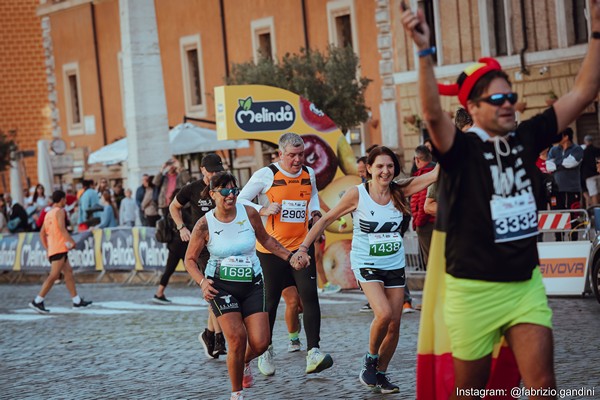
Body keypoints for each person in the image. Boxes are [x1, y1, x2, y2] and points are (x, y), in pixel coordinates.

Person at [401, 2, 600, 398]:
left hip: (524, 286)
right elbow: (430, 111)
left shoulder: (526, 137)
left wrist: (595, 29)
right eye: (497, 99)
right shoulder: (460, 150)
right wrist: (424, 53)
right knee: (474, 392)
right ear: (472, 108)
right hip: (472, 291)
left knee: (544, 385)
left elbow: (584, 91)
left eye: (510, 95)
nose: (508, 102)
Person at [292, 146, 438, 394]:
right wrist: (303, 247)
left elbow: (434, 176)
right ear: (369, 169)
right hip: (366, 263)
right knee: (383, 314)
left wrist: (461, 143)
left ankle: (380, 374)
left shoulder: (399, 191)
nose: (385, 171)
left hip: (393, 264)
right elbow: (326, 220)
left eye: (390, 166)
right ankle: (370, 359)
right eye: (379, 166)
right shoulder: (357, 194)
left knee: (395, 324)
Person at [184, 172, 309, 400]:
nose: (230, 195)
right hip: (221, 286)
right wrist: (203, 283)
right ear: (213, 194)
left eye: (234, 190)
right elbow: (189, 260)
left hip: (252, 283)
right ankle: (236, 393)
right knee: (236, 338)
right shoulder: (204, 224)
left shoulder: (249, 213)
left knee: (261, 343)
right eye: (224, 191)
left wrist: (289, 257)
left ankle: (242, 361)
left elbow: (267, 240)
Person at [238, 132, 333, 376]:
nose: (297, 159)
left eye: (301, 154)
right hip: (271, 250)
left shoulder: (308, 174)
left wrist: (314, 214)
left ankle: (314, 351)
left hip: (301, 246)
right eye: (292, 155)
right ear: (281, 154)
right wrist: (264, 208)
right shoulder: (266, 174)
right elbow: (241, 200)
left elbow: (311, 197)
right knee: (270, 302)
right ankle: (265, 349)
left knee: (309, 296)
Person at [168, 153, 228, 358]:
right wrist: (181, 227)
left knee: (220, 288)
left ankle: (208, 334)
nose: (215, 174)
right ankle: (219, 338)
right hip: (201, 246)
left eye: (218, 170)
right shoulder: (191, 189)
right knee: (213, 287)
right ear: (203, 169)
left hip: (224, 243)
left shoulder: (223, 185)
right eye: (212, 171)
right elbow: (173, 207)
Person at [28, 190, 92, 314]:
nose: (65, 201)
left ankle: (76, 301)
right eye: (65, 199)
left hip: (54, 248)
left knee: (68, 272)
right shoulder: (60, 212)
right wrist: (72, 242)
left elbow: (41, 234)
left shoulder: (48, 213)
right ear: (62, 199)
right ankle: (37, 300)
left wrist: (48, 248)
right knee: (54, 275)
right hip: (59, 247)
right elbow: (62, 229)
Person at [411, 145, 436, 267]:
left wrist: (418, 223)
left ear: (417, 159)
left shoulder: (426, 175)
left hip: (427, 224)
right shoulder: (431, 171)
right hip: (431, 221)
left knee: (430, 261)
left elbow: (422, 203)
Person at [580, 135, 600, 206]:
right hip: (598, 174)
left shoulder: (583, 153)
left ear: (585, 142)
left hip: (589, 176)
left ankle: (597, 213)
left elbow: (581, 166)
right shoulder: (598, 150)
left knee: (593, 193)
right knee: (598, 192)